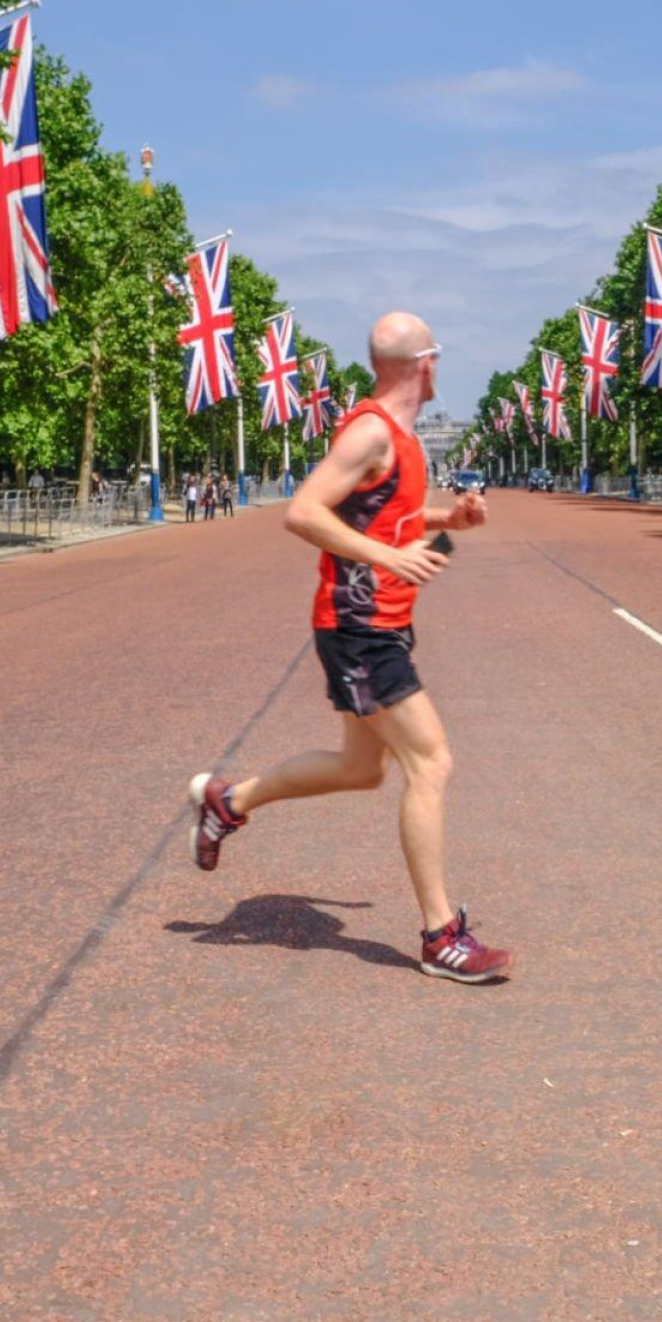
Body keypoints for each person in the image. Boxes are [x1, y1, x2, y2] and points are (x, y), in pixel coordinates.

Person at [188, 311, 509, 984]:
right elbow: (304, 511)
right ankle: (440, 936)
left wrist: (452, 521)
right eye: (438, 357)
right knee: (431, 763)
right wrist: (386, 559)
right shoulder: (370, 431)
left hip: (379, 624)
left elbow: (385, 515)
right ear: (424, 363)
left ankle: (228, 802)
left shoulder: (397, 440)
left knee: (361, 770)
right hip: (357, 627)